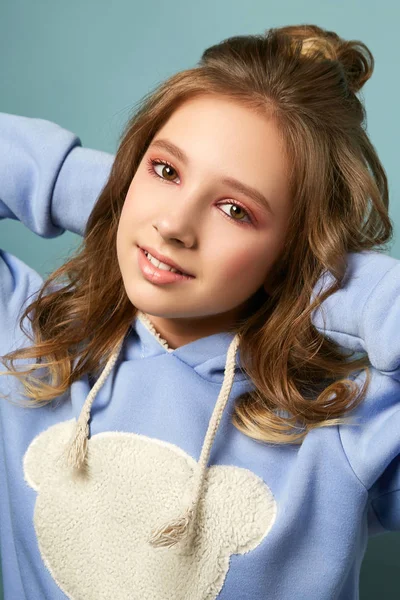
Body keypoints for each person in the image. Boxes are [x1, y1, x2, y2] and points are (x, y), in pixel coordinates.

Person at [0, 23, 399, 600]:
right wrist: (98, 191)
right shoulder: (30, 345)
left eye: (235, 209)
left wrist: (334, 282)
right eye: (164, 170)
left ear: (293, 247)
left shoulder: (345, 429)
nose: (173, 226)